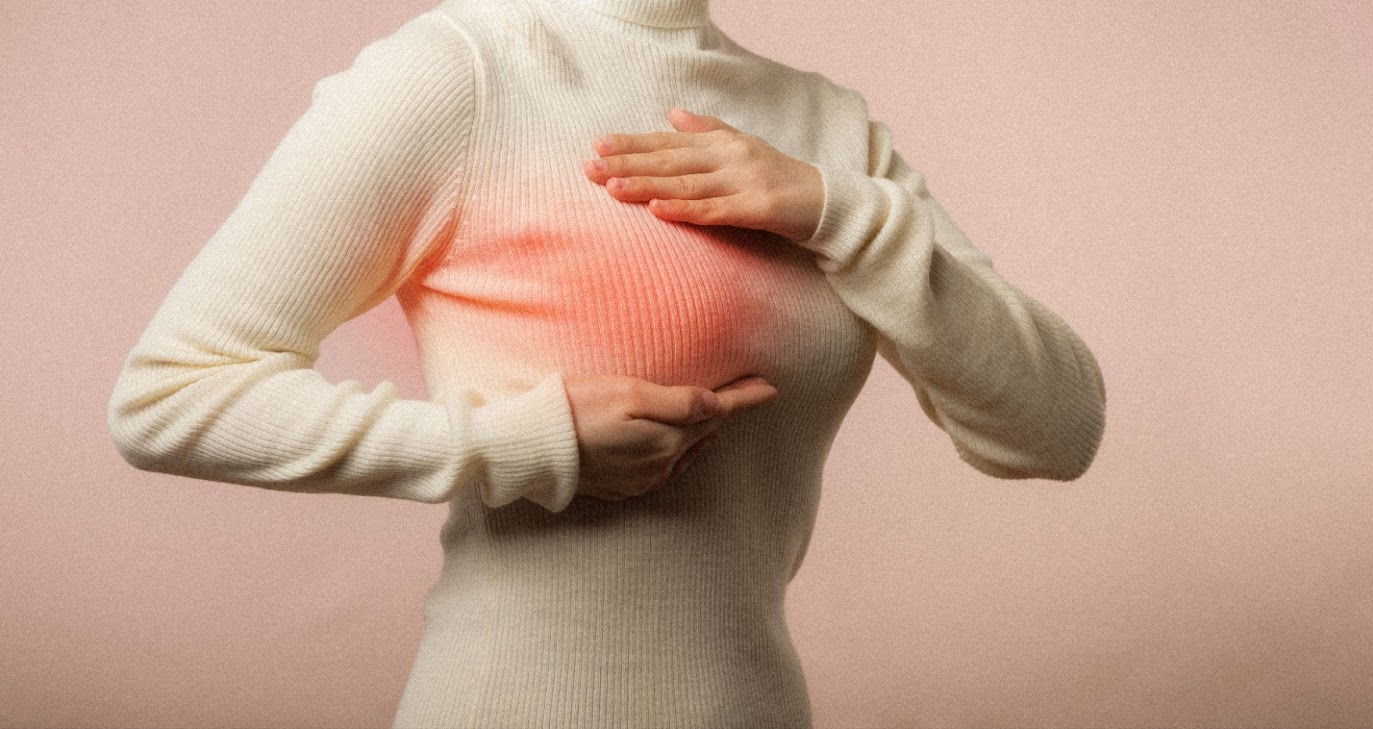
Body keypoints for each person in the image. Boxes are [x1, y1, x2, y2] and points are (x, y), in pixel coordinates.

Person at [105, 0, 1108, 725]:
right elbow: (171, 397)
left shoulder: (827, 125)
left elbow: (1057, 429)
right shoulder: (461, 70)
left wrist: (833, 207)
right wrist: (522, 444)